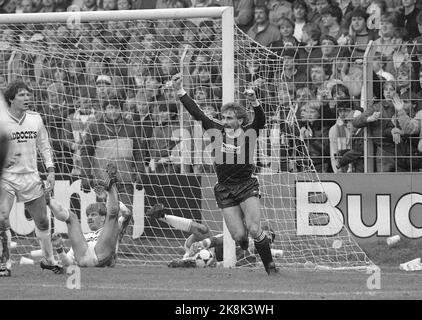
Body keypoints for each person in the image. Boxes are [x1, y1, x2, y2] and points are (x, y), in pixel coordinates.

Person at [171, 73, 278, 275]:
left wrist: (254, 101)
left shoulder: (249, 132)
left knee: (255, 229)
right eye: (224, 117)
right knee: (239, 236)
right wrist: (180, 91)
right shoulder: (216, 130)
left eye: (230, 118)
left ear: (240, 120)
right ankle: (244, 243)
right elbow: (197, 112)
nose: (226, 121)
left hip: (247, 185)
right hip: (224, 189)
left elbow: (261, 120)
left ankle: (271, 268)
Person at [0, 81, 63, 277]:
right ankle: (5, 263)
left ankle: (48, 260)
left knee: (43, 222)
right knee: (2, 218)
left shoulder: (35, 119)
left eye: (28, 95)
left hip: (31, 176)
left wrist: (51, 171)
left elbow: (44, 146)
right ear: (11, 99)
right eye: (21, 95)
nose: (27, 98)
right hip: (7, 177)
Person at [47, 163, 135, 267]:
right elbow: (68, 263)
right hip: (83, 257)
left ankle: (111, 186)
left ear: (103, 218)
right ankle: (48, 200)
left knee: (112, 217)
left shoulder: (115, 228)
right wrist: (59, 249)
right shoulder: (84, 237)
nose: (89, 218)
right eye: (88, 215)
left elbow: (127, 213)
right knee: (72, 217)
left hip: (102, 255)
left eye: (93, 215)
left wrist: (107, 198)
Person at [146, 205, 277, 268]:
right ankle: (163, 216)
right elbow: (218, 239)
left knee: (206, 260)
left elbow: (234, 265)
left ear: (268, 245)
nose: (259, 241)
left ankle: (186, 262)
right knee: (203, 229)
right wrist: (204, 244)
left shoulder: (253, 260)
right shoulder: (242, 238)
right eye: (261, 236)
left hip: (209, 258)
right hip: (201, 246)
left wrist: (215, 264)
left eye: (268, 240)